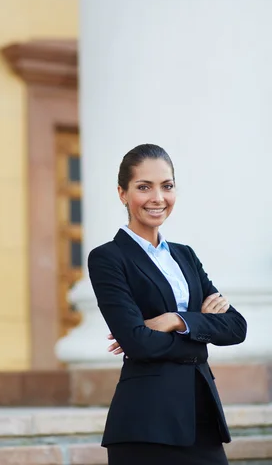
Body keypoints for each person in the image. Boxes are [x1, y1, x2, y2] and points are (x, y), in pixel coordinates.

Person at [88, 144, 247, 465]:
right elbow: (138, 343)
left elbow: (235, 327)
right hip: (145, 421)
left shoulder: (184, 255)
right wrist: (201, 332)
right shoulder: (108, 258)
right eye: (144, 187)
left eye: (167, 186)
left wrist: (176, 319)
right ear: (122, 193)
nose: (158, 197)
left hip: (201, 415)